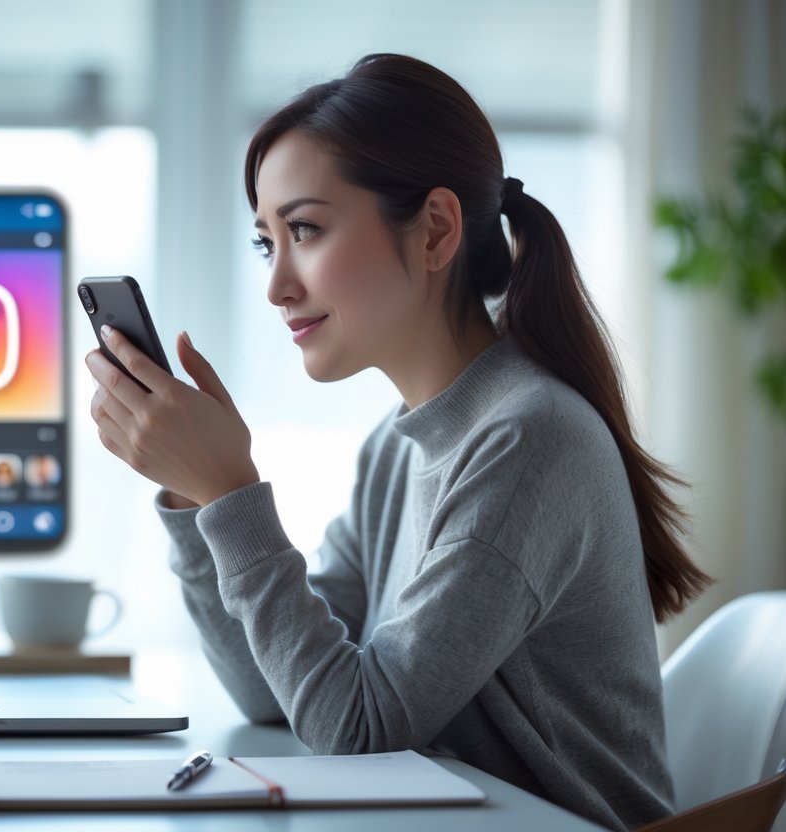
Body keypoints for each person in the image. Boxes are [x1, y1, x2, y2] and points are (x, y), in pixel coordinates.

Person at [84, 54, 711, 831]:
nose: (276, 284)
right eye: (264, 242)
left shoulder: (527, 439)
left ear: (435, 231)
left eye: (304, 229)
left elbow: (360, 733)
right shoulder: (400, 444)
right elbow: (272, 692)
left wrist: (230, 495)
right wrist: (192, 493)